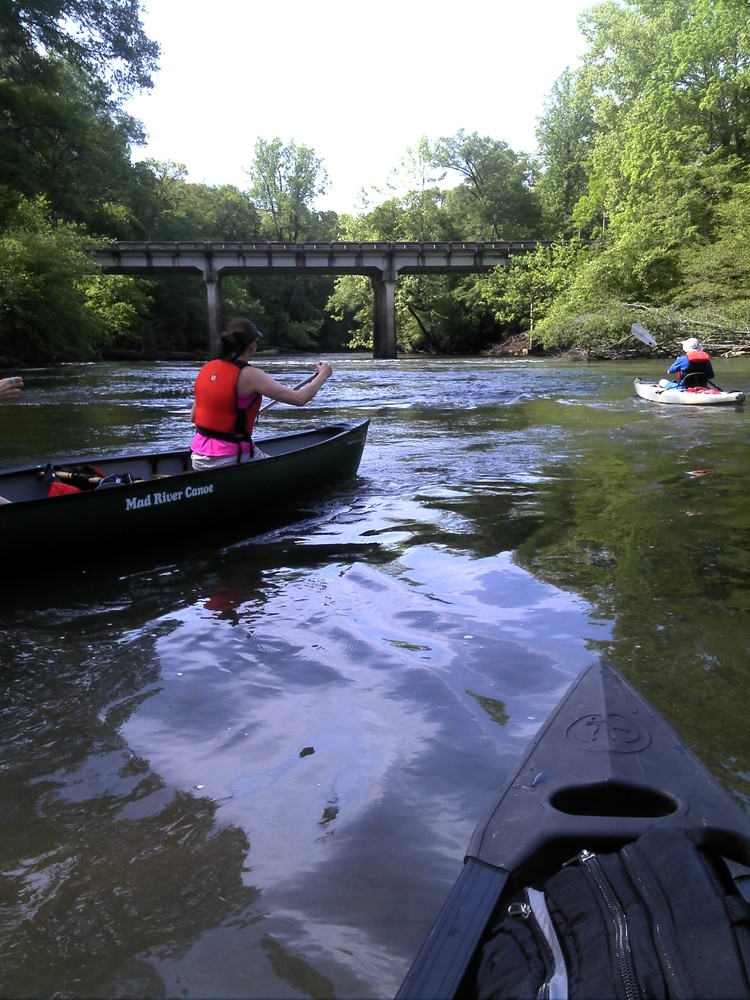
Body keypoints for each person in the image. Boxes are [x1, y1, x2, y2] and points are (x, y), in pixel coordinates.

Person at [189, 317, 333, 470]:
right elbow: (300, 398)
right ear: (251, 346)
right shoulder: (251, 375)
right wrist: (323, 374)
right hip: (231, 459)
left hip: (197, 458)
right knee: (285, 469)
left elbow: (193, 417)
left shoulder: (207, 368)